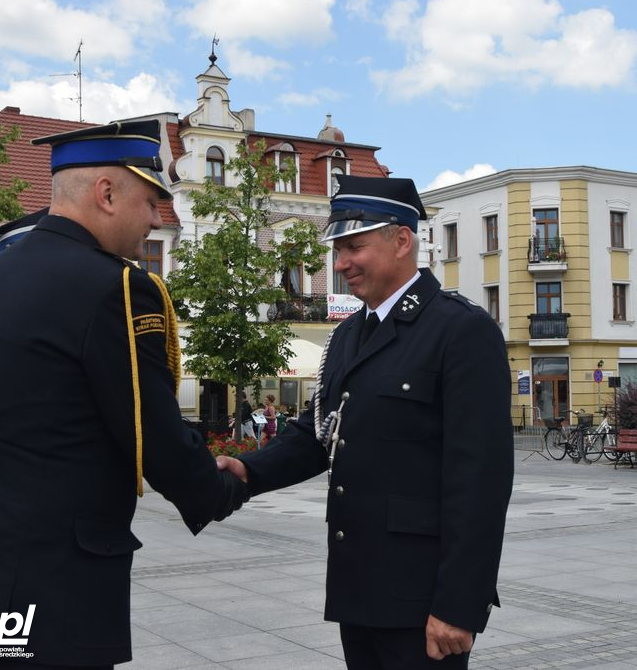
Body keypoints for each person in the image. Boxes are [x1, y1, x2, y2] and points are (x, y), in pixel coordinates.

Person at [0, 120, 247, 669]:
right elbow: (151, 428)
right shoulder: (116, 286)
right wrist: (219, 487)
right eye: (151, 202)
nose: (157, 220)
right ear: (107, 193)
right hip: (55, 590)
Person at [217, 175, 514, 669]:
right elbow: (321, 432)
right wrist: (251, 471)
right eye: (338, 248)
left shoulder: (460, 331)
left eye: (355, 246)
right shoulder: (350, 333)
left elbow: (480, 481)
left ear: (402, 240)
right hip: (358, 585)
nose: (340, 263)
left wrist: (459, 604)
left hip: (422, 600)